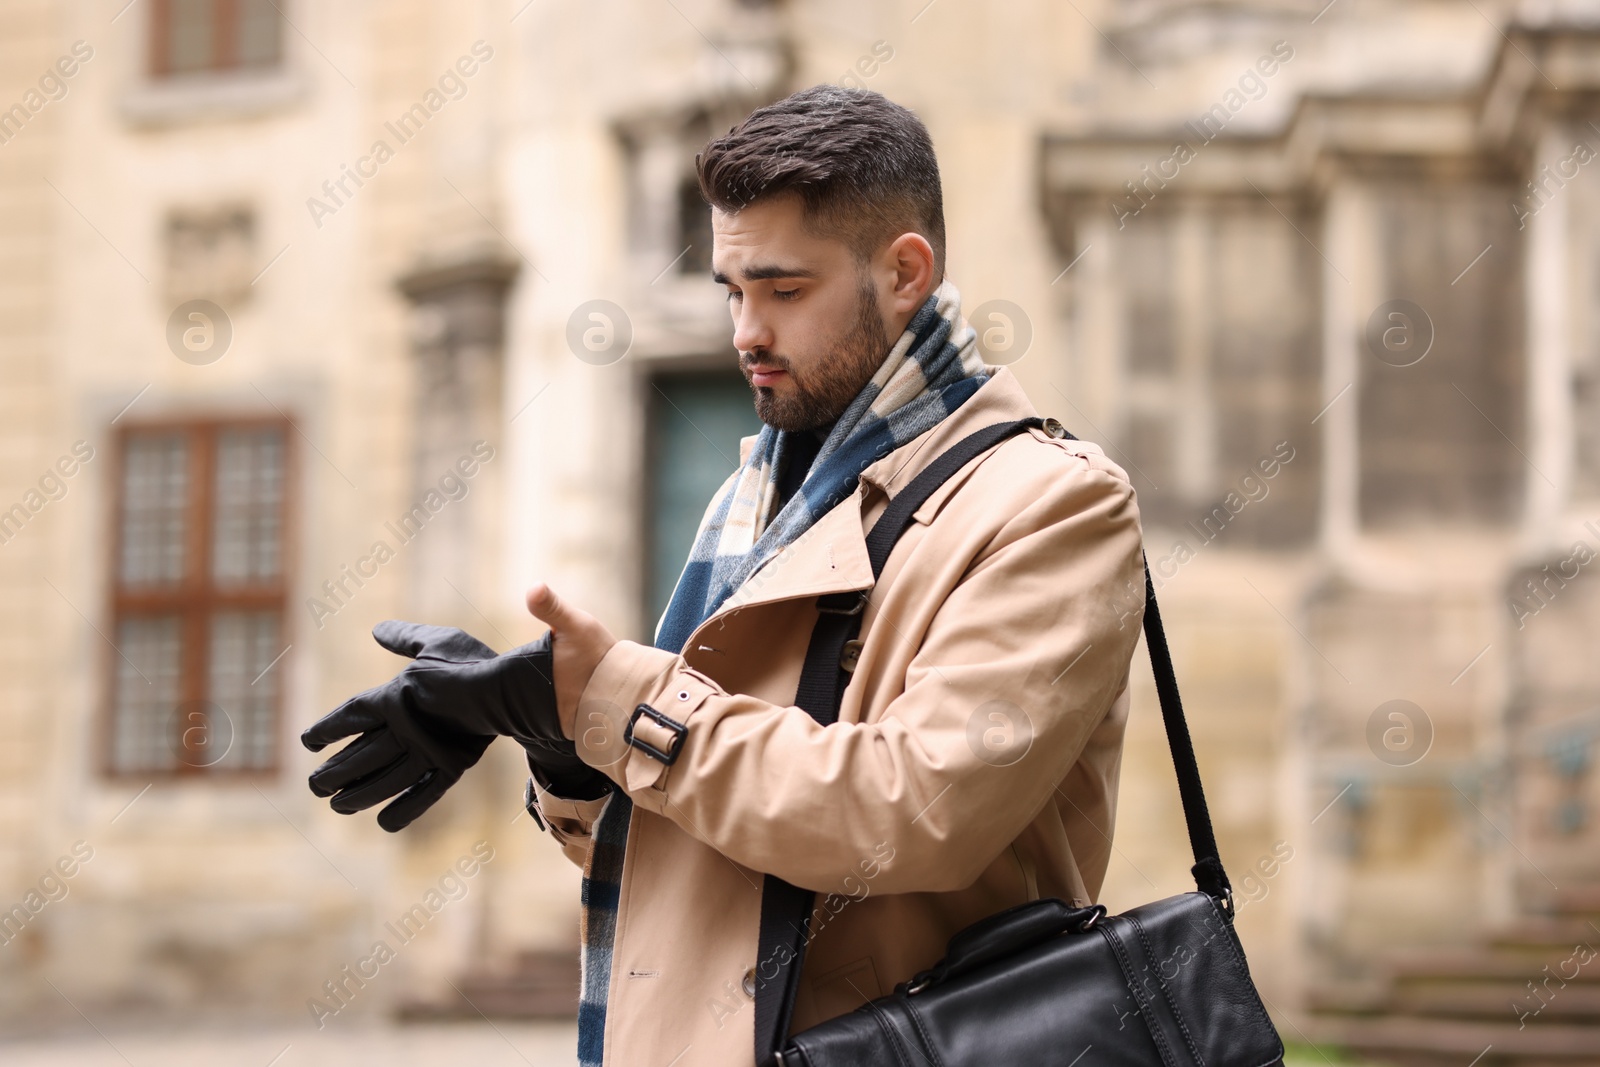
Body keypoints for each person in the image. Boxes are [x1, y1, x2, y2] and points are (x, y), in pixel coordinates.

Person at [302, 85, 1147, 1067]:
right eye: (730, 289)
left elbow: (912, 810)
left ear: (905, 272)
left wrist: (614, 698)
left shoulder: (1049, 503)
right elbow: (711, 846)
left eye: (783, 290)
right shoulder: (750, 497)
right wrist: (567, 742)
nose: (744, 330)